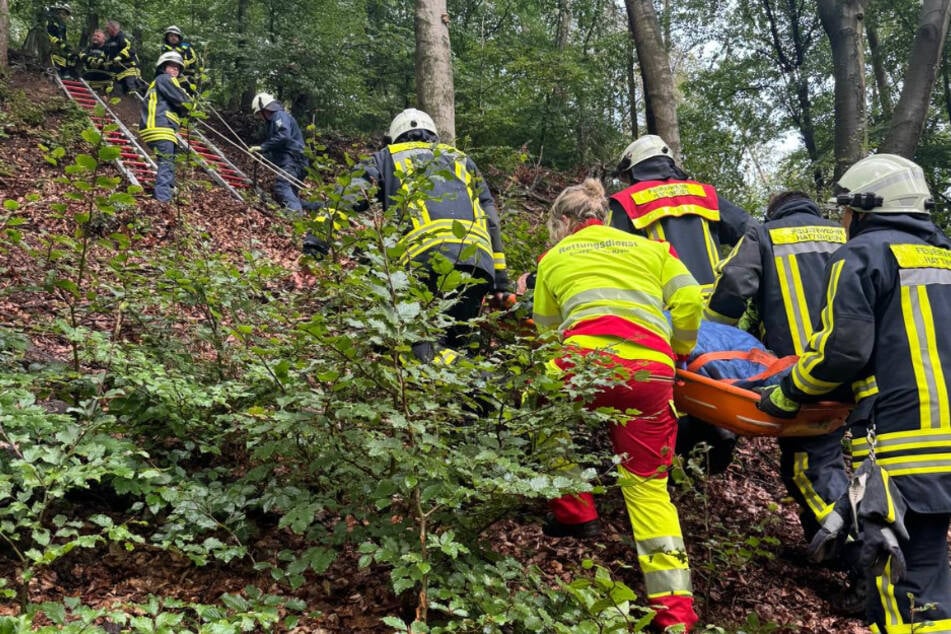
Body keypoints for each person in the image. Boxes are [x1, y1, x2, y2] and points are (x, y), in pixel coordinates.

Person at [758, 154, 951, 632]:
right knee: (931, 570)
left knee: (903, 579)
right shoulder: (945, 255)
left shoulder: (862, 255)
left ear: (865, 208)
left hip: (910, 444)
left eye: (845, 210)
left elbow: (843, 350)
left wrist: (789, 390)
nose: (841, 221)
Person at [533, 178, 702, 632]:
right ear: (604, 217)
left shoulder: (554, 258)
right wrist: (680, 347)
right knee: (649, 490)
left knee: (539, 405)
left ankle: (576, 513)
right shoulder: (652, 250)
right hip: (650, 372)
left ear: (565, 221)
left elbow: (546, 334)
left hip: (582, 364)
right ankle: (675, 616)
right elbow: (688, 298)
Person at [704, 191, 862, 610]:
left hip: (805, 373)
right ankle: (825, 544)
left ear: (775, 211)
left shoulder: (764, 234)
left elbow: (734, 287)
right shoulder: (847, 234)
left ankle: (860, 562)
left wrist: (710, 337)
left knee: (808, 466)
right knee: (822, 460)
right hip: (860, 371)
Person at [309, 108, 511, 363]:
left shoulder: (387, 157)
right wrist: (501, 281)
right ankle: (475, 389)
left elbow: (347, 196)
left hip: (426, 261)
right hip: (477, 263)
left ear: (395, 137)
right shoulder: (463, 160)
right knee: (458, 340)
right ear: (434, 135)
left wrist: (317, 238)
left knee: (417, 342)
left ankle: (477, 379)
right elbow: (491, 219)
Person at [609, 134, 753, 474]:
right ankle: (716, 433)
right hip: (716, 307)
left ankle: (676, 458)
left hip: (666, 306)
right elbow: (753, 235)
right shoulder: (706, 195)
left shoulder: (626, 202)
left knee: (673, 384)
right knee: (712, 373)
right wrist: (729, 276)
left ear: (632, 171)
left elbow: (614, 254)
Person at [139, 52, 191, 202]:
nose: (174, 71)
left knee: (169, 160)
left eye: (177, 68)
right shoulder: (164, 79)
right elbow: (182, 100)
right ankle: (163, 199)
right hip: (160, 127)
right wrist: (189, 103)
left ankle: (168, 191)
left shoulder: (160, 82)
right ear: (163, 67)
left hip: (161, 128)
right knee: (167, 162)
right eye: (171, 67)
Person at [249, 93, 313, 213]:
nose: (259, 117)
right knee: (292, 196)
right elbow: (277, 148)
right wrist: (262, 157)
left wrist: (262, 147)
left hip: (294, 160)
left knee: (282, 185)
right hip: (295, 160)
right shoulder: (273, 123)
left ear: (265, 109)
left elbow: (284, 136)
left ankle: (295, 216)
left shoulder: (279, 116)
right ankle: (320, 207)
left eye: (258, 114)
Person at [103, 20, 144, 95]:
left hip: (130, 68)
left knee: (131, 88)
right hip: (118, 72)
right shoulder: (108, 42)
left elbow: (129, 48)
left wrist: (120, 56)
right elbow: (105, 54)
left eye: (107, 28)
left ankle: (138, 100)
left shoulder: (122, 38)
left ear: (114, 28)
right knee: (118, 91)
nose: (106, 30)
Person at [160, 26, 201, 94]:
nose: (173, 37)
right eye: (171, 36)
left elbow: (193, 59)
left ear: (179, 37)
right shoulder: (165, 49)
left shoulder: (185, 47)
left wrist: (182, 64)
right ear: (167, 38)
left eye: (176, 36)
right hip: (169, 79)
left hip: (186, 77)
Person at [47, 5, 76, 78]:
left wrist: (66, 45)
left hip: (60, 44)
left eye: (65, 15)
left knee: (71, 54)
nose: (64, 16)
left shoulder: (63, 25)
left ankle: (67, 72)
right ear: (58, 13)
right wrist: (58, 42)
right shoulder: (51, 22)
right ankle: (59, 70)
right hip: (51, 43)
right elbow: (48, 34)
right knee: (58, 53)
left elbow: (64, 38)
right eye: (62, 14)